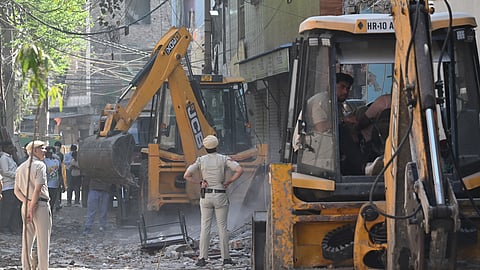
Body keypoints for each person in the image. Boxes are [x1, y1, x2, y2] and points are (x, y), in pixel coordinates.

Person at [183, 135, 244, 267]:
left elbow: (186, 175)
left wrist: (200, 182)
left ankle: (202, 258)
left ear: (205, 147)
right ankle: (226, 258)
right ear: (217, 146)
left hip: (206, 196)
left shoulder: (200, 160)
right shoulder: (224, 159)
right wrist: (229, 181)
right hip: (220, 195)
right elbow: (239, 170)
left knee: (205, 227)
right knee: (222, 227)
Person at [14, 140, 51, 270]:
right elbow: (38, 188)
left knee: (27, 240)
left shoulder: (20, 167)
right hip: (39, 206)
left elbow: (16, 191)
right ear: (34, 151)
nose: (45, 151)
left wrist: (27, 203)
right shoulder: (40, 166)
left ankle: (26, 267)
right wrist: (32, 206)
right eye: (42, 148)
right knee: (43, 242)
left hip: (27, 205)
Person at [0, 143, 21, 234]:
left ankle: (12, 227)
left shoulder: (10, 158)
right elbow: (5, 172)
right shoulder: (4, 158)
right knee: (7, 208)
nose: (12, 149)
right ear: (6, 148)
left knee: (14, 208)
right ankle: (5, 227)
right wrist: (17, 175)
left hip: (13, 185)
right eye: (10, 147)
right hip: (7, 186)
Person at [44, 146, 61, 216]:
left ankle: (50, 215)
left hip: (55, 184)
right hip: (47, 184)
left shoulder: (56, 161)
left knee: (52, 201)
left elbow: (59, 173)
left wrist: (61, 182)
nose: (50, 154)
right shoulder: (43, 161)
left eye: (51, 152)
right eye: (48, 152)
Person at [53, 141, 65, 211]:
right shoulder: (54, 155)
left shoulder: (60, 155)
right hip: (54, 175)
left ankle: (57, 203)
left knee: (58, 190)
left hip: (57, 174)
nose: (57, 148)